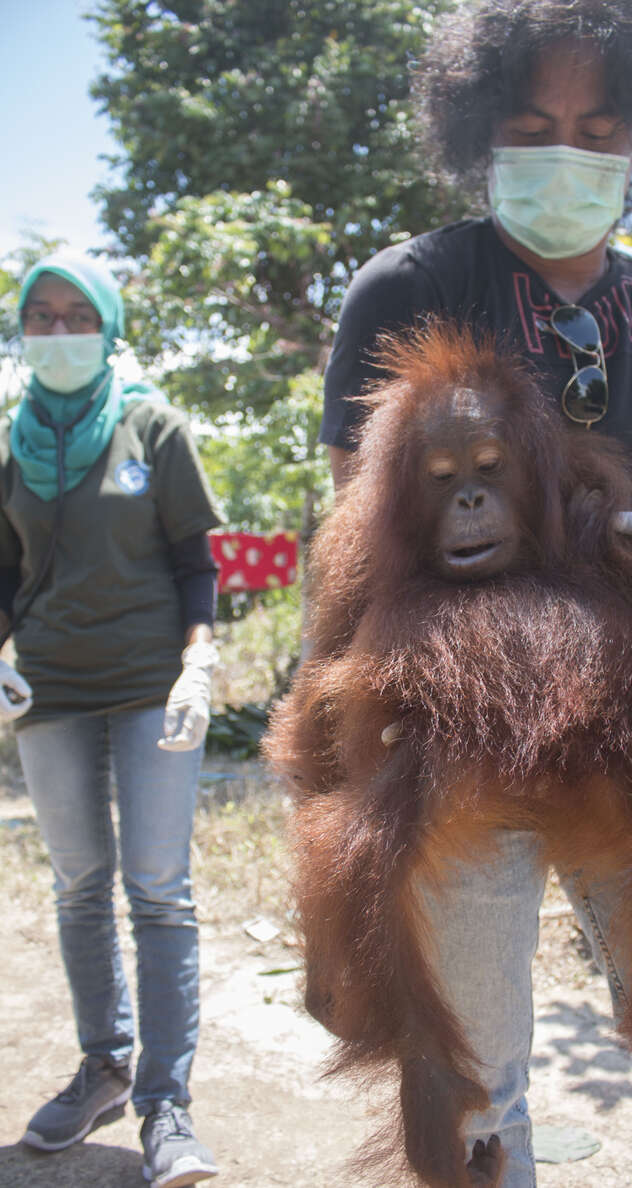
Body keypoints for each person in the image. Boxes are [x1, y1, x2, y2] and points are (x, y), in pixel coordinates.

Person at [320, 1, 632, 1184]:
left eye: (597, 125)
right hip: (456, 741)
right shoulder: (406, 288)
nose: (566, 151)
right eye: (533, 124)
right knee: (473, 1084)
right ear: (482, 132)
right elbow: (357, 531)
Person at [1, 252, 222, 1188]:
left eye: (73, 314)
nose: (58, 332)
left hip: (147, 686)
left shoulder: (153, 426)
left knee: (158, 885)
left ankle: (167, 1105)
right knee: (79, 886)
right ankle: (105, 1067)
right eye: (39, 317)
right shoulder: (9, 439)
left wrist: (198, 663)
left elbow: (196, 562)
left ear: (108, 322)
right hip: (48, 689)